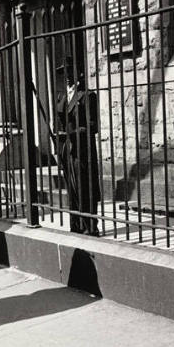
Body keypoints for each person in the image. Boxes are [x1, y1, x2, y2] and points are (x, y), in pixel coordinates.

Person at [56, 56, 100, 236]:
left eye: (70, 71)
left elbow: (92, 126)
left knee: (85, 187)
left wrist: (71, 134)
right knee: (72, 189)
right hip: (67, 150)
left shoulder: (87, 95)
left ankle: (90, 226)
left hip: (83, 150)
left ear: (78, 73)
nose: (67, 76)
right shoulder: (62, 97)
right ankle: (75, 224)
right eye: (64, 72)